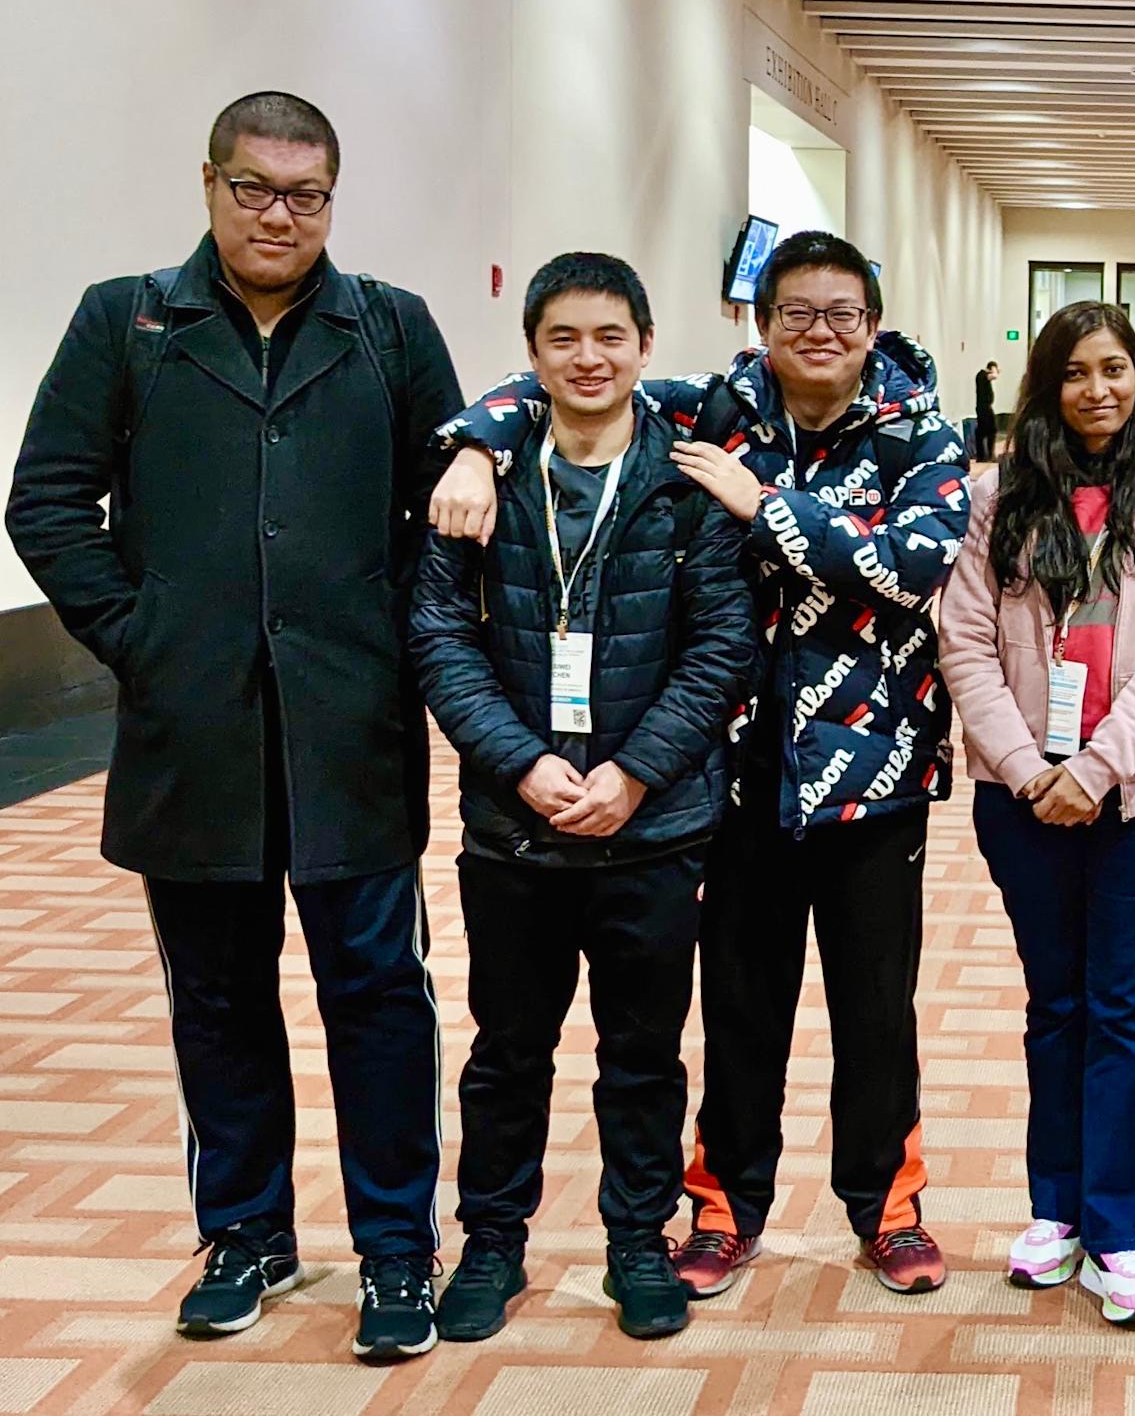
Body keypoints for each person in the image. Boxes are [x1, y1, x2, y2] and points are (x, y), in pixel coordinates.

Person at [424, 231, 968, 1301]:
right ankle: (724, 1204)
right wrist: (472, 444)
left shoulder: (921, 432)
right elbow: (570, 381)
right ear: (759, 326)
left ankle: (887, 1205)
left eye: (841, 313)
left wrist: (765, 507)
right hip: (736, 770)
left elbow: (915, 565)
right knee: (739, 1006)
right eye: (795, 313)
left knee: (875, 1009)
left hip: (875, 771)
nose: (819, 332)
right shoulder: (715, 411)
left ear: (872, 323)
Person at [5, 92, 463, 1361]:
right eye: (255, 187)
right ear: (207, 183)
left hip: (350, 732)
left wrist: (399, 642)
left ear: (333, 200)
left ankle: (393, 1247)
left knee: (377, 991)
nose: (279, 214)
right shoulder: (129, 321)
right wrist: (142, 634)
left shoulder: (389, 327)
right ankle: (247, 1231)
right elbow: (45, 500)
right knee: (215, 994)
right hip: (191, 734)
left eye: (306, 194)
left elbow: (449, 502)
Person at [410, 254, 752, 1343]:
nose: (589, 356)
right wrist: (517, 760)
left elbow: (723, 642)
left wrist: (635, 770)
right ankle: (493, 1243)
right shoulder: (482, 477)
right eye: (565, 337)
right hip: (515, 829)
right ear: (533, 352)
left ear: (646, 346)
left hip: (653, 825)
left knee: (642, 1053)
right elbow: (437, 632)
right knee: (507, 1049)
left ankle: (634, 1242)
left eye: (611, 335)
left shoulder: (687, 475)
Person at [939, 301, 1135, 1328]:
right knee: (1052, 1004)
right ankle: (1053, 1210)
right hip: (1020, 799)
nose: (1097, 389)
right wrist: (1025, 766)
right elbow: (964, 643)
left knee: (1123, 1010)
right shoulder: (998, 498)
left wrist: (1097, 767)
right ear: (1046, 384)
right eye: (1075, 372)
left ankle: (1120, 1232)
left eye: (1115, 369)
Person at [975, 359, 1001, 463]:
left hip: (986, 407)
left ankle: (985, 455)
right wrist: (996, 370)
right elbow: (994, 376)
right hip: (983, 408)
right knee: (985, 431)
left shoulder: (984, 375)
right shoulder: (982, 375)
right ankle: (985, 455)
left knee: (988, 431)